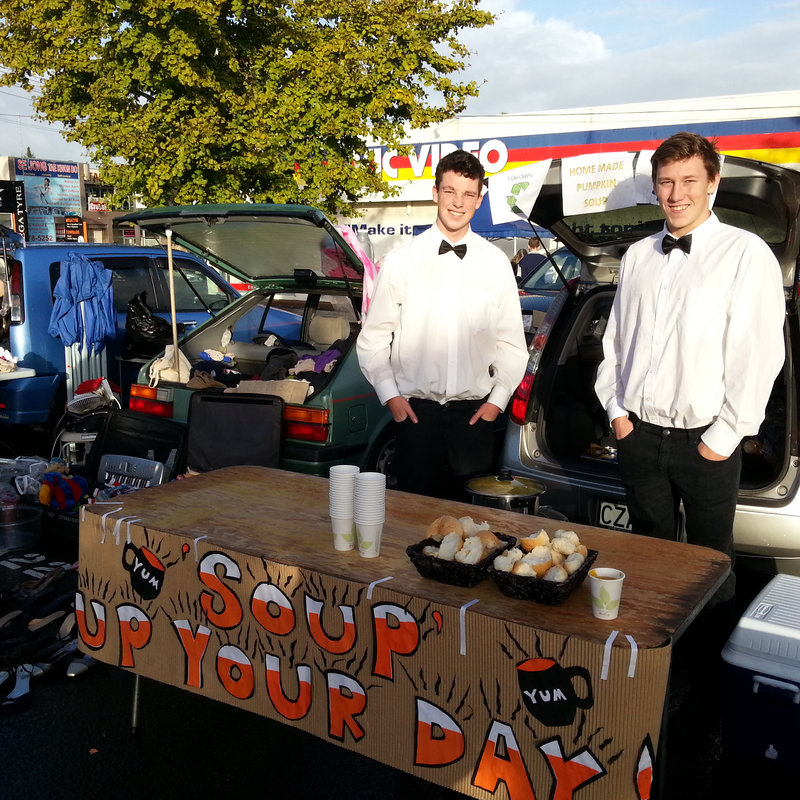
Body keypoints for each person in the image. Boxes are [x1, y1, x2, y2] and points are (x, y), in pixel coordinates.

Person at [594, 131, 785, 629]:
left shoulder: (745, 253)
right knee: (648, 561)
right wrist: (617, 414)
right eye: (666, 182)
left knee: (710, 569)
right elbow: (616, 343)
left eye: (688, 181)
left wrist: (723, 438)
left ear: (713, 182)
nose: (676, 193)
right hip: (638, 436)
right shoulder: (637, 256)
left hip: (706, 443)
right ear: (655, 187)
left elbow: (759, 354)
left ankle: (703, 667)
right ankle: (652, 654)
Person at [357, 149, 528, 501]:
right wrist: (391, 396)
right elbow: (374, 338)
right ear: (435, 193)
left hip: (476, 418)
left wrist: (496, 402)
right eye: (450, 191)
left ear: (479, 200)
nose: (458, 202)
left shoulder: (496, 264)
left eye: (468, 194)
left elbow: (511, 344)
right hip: (415, 417)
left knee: (472, 524)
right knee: (413, 518)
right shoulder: (402, 260)